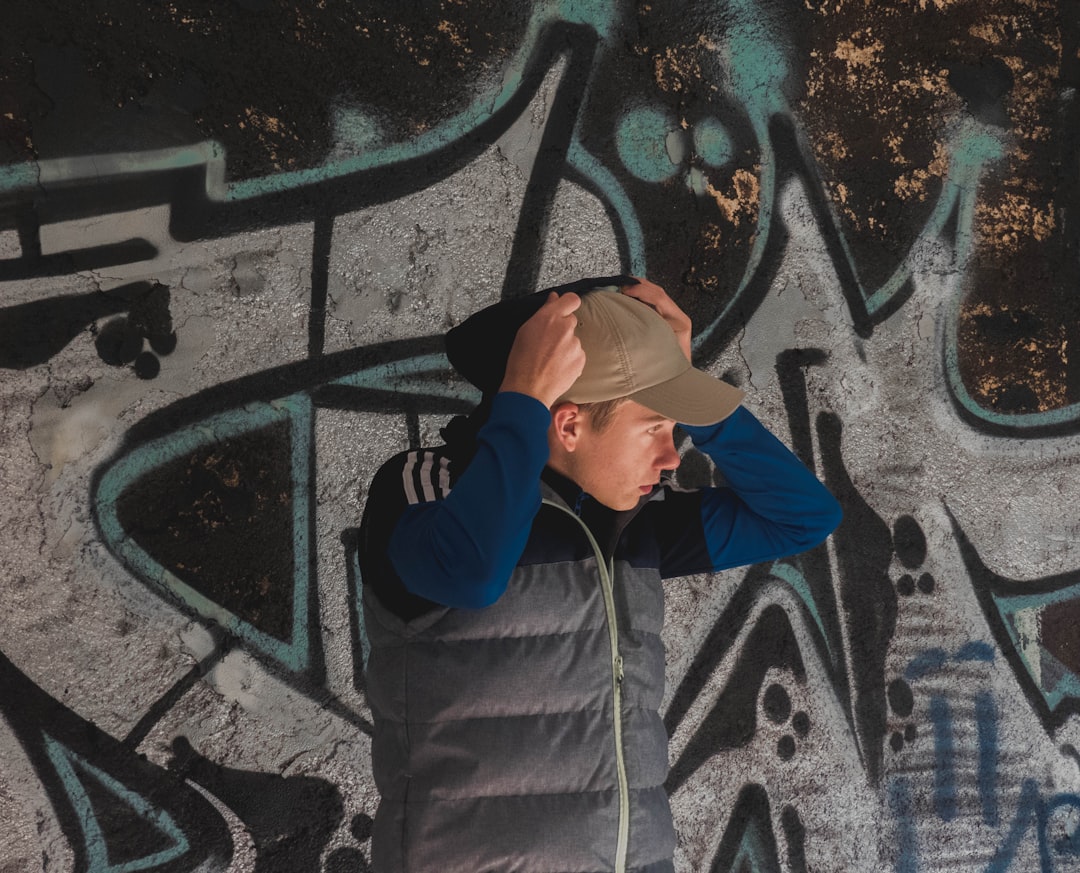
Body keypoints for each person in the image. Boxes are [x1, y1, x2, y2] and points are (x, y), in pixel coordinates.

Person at [357, 276, 842, 872]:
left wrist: (685, 390)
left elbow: (806, 517)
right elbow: (474, 575)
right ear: (566, 425)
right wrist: (523, 406)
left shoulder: (633, 524)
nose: (671, 460)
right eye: (655, 431)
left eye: (676, 432)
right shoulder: (429, 487)